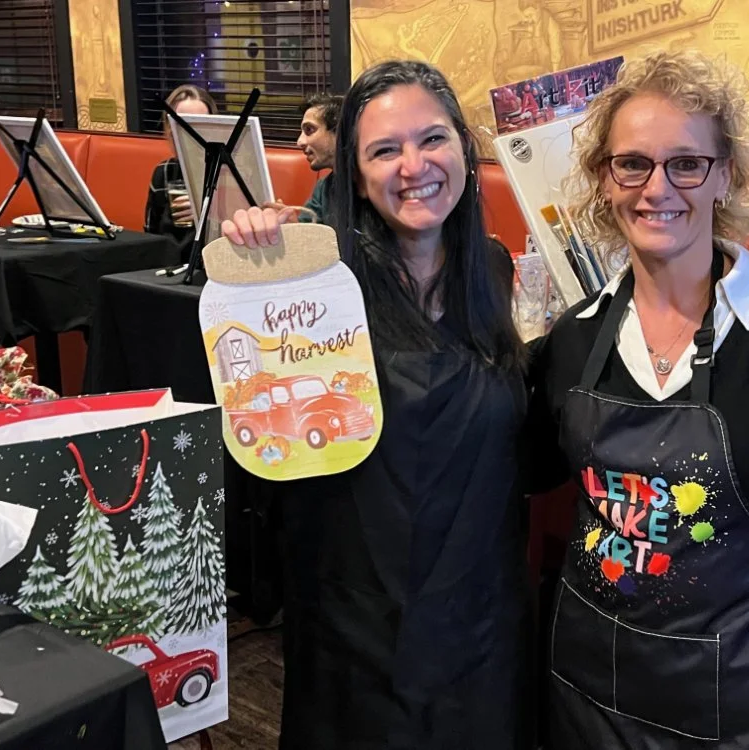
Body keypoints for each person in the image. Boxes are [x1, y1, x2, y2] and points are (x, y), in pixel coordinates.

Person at [525, 50, 749, 749]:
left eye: (685, 163)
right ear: (605, 179)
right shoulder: (575, 338)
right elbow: (515, 467)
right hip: (590, 695)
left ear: (725, 175)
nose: (657, 188)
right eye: (633, 163)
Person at [221, 61, 532, 750]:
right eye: (385, 150)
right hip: (352, 617)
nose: (413, 165)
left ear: (464, 150)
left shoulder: (490, 268)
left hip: (480, 610)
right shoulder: (314, 285)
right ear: (354, 176)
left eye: (433, 139)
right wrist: (256, 256)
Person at [143, 84, 217, 263]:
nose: (193, 133)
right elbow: (150, 234)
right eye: (184, 125)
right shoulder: (164, 172)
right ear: (170, 129)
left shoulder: (228, 173)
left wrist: (207, 214)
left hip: (212, 267)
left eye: (199, 124)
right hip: (168, 266)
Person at [295, 93, 342, 222]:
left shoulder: (373, 186)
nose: (300, 142)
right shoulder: (324, 188)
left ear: (339, 132)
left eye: (309, 130)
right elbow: (308, 232)